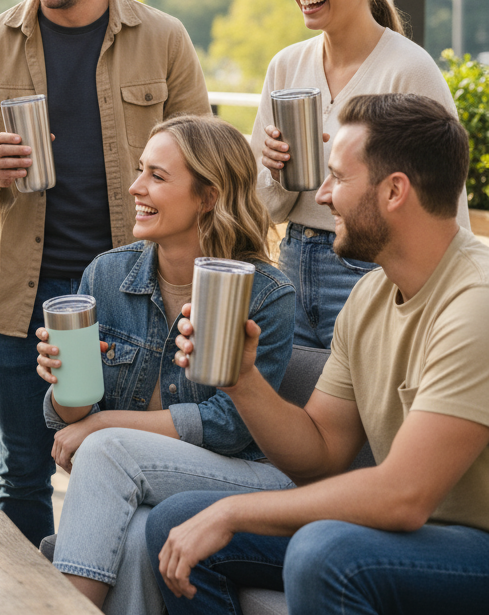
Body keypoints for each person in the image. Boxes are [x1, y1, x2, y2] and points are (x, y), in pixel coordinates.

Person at [0, 0, 211, 545]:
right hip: (21, 294)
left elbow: (205, 158)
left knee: (119, 463)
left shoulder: (163, 37)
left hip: (134, 294)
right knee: (23, 471)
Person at [147, 94, 489, 614]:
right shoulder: (371, 294)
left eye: (338, 178)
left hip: (474, 545)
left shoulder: (476, 304)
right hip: (414, 535)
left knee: (324, 552)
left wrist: (235, 512)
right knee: (176, 522)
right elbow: (322, 453)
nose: (323, 194)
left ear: (395, 190)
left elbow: (403, 496)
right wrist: (243, 380)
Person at [35, 115, 294, 615]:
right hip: (146, 476)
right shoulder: (107, 275)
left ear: (209, 195)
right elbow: (73, 419)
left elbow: (230, 427)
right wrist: (66, 384)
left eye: (157, 175)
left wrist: (103, 423)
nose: (135, 187)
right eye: (140, 171)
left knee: (108, 450)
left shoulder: (265, 294)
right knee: (131, 539)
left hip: (251, 477)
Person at [251, 0, 468, 349]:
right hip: (290, 267)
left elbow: (446, 204)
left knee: (366, 417)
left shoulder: (409, 70)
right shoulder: (286, 66)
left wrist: (452, 300)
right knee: (296, 412)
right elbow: (264, 207)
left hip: (372, 274)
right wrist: (275, 172)